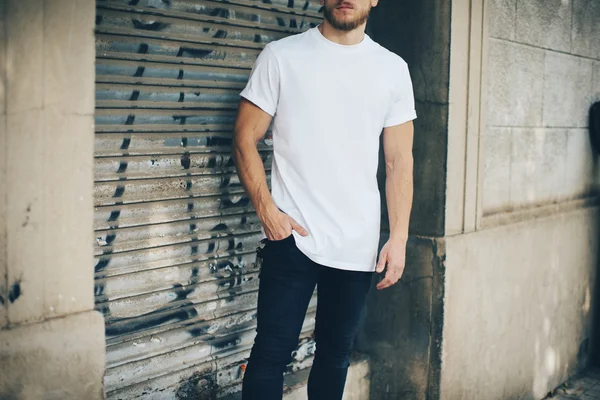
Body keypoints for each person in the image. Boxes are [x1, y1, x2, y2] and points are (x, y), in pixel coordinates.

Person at [232, 0, 416, 398]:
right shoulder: (282, 56)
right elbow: (245, 136)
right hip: (292, 237)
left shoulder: (392, 69)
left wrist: (398, 237)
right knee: (271, 354)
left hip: (357, 243)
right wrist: (267, 210)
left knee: (335, 355)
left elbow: (399, 161)